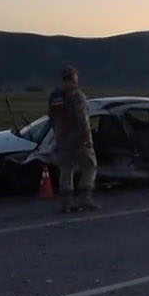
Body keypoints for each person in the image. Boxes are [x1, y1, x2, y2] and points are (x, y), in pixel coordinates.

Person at [48, 65, 98, 213]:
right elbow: (82, 119)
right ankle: (85, 198)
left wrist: (57, 134)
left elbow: (51, 117)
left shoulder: (54, 96)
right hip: (78, 139)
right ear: (73, 77)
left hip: (62, 139)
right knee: (90, 165)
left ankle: (66, 203)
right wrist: (88, 138)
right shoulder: (76, 94)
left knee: (66, 170)